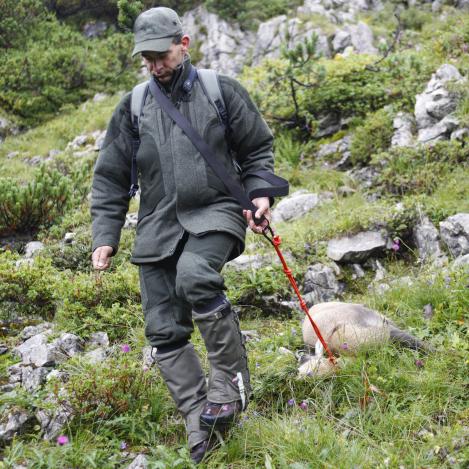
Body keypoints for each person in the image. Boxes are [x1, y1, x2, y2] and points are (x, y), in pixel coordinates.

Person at [90, 6, 286, 463]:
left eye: (162, 54)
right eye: (147, 58)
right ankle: (200, 420)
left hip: (215, 213)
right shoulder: (134, 106)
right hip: (158, 226)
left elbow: (257, 149)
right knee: (161, 328)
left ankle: (230, 381)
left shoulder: (221, 91)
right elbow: (110, 178)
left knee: (196, 275)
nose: (156, 65)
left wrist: (260, 195)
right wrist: (106, 236)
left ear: (184, 44)